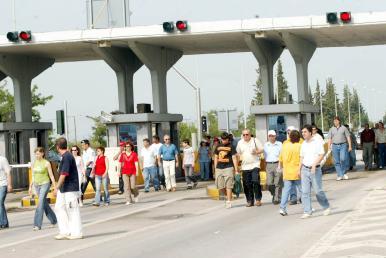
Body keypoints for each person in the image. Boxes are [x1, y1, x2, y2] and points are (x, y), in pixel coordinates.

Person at [53, 137, 82, 240]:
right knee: (58, 207)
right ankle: (65, 231)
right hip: (64, 188)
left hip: (70, 188)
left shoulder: (67, 157)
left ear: (57, 147)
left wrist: (56, 188)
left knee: (72, 209)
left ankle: (77, 233)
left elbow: (63, 174)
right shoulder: (65, 156)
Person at [300, 125, 330, 219]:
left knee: (317, 191)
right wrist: (298, 169)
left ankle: (326, 206)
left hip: (315, 170)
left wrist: (314, 165)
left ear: (310, 132)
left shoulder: (317, 142)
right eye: (302, 132)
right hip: (304, 170)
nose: (303, 134)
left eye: (305, 132)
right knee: (305, 192)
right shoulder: (303, 144)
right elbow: (301, 157)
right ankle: (307, 211)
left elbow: (321, 155)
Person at [29, 147, 57, 230]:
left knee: (40, 204)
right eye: (36, 154)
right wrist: (30, 186)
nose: (36, 155)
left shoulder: (46, 163)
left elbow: (51, 175)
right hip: (37, 185)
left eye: (38, 153)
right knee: (44, 203)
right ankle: (54, 220)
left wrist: (55, 186)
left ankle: (37, 224)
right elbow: (33, 176)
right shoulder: (34, 163)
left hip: (45, 184)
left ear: (42, 153)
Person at [237, 129, 264, 207]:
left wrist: (257, 152)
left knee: (255, 181)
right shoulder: (240, 143)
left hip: (255, 165)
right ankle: (249, 200)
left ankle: (258, 199)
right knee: (246, 184)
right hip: (245, 166)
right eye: (244, 135)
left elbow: (262, 149)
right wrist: (237, 167)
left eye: (247, 134)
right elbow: (238, 154)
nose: (245, 136)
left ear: (250, 134)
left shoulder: (255, 140)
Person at [278, 130, 302, 216]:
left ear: (290, 137)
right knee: (303, 190)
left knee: (286, 191)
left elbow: (280, 159)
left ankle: (282, 208)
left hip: (287, 172)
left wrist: (280, 168)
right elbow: (302, 159)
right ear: (298, 138)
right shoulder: (299, 146)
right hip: (297, 172)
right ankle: (307, 207)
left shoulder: (285, 146)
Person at [214, 132, 238, 209]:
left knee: (228, 185)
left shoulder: (232, 146)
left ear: (228, 139)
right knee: (220, 186)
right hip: (219, 168)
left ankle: (228, 201)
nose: (224, 141)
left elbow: (234, 158)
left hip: (229, 167)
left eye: (225, 139)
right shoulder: (218, 146)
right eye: (222, 139)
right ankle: (229, 195)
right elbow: (215, 157)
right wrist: (215, 168)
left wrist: (236, 170)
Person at [327, 116, 352, 181]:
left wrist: (350, 146)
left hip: (343, 145)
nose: (335, 122)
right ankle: (340, 175)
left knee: (343, 159)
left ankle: (343, 173)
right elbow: (329, 138)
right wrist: (329, 146)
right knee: (336, 161)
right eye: (334, 121)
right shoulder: (331, 129)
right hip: (334, 146)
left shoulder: (344, 128)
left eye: (336, 121)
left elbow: (348, 137)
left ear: (339, 121)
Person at [263, 130, 282, 205]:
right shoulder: (266, 145)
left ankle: (276, 198)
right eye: (270, 136)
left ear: (275, 136)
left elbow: (281, 155)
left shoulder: (279, 144)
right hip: (269, 164)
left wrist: (280, 165)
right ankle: (274, 194)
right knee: (269, 183)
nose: (271, 137)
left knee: (277, 182)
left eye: (272, 136)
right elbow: (264, 156)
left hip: (277, 163)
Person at [0, 155, 12, 229]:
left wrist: (9, 185)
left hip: (3, 184)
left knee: (0, 202)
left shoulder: (2, 159)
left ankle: (2, 223)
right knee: (0, 204)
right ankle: (5, 222)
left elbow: (8, 173)